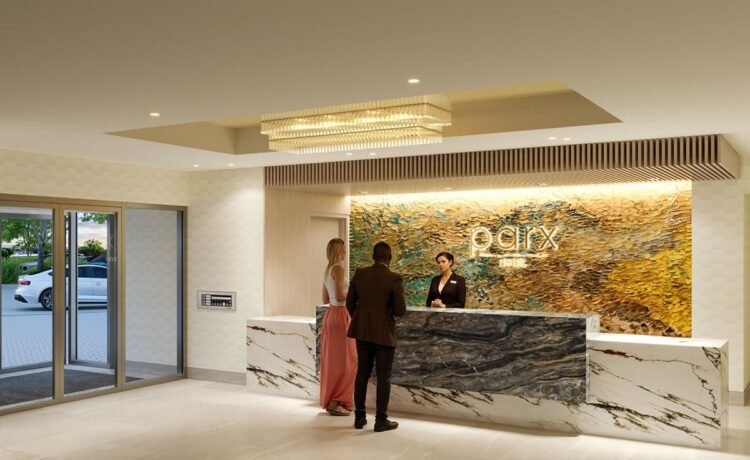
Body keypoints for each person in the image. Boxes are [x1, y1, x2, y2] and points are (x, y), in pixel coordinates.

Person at [346, 241, 407, 432]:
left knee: (362, 374)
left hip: (362, 333)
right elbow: (400, 311)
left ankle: (359, 418)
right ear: (390, 258)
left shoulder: (360, 274)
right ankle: (381, 420)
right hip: (384, 334)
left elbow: (349, 304)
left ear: (373, 256)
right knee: (383, 377)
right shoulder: (394, 278)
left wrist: (362, 319)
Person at [319, 238, 357, 416]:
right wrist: (356, 291)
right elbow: (341, 296)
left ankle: (333, 400)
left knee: (334, 361)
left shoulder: (327, 270)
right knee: (349, 361)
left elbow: (325, 299)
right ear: (338, 251)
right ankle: (336, 401)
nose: (345, 252)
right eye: (343, 249)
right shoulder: (339, 269)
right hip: (341, 315)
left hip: (331, 316)